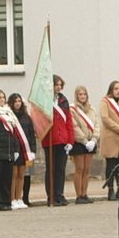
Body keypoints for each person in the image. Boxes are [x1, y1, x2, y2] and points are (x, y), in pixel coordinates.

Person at [43, 75, 75, 206]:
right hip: (49, 140)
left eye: (60, 85)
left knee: (60, 169)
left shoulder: (63, 101)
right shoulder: (45, 99)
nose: (59, 87)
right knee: (51, 169)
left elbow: (69, 121)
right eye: (57, 85)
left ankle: (59, 194)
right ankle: (50, 195)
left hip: (62, 139)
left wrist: (70, 140)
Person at [69, 85, 100, 204]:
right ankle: (78, 195)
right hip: (79, 143)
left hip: (91, 142)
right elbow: (74, 126)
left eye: (84, 94)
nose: (82, 96)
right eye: (80, 94)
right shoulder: (73, 109)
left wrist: (94, 139)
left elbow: (97, 125)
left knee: (87, 169)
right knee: (79, 169)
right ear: (77, 96)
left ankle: (85, 193)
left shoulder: (92, 109)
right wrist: (84, 141)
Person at [8, 93, 36, 208]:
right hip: (15, 150)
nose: (18, 103)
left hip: (25, 150)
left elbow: (31, 134)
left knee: (22, 174)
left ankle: (19, 198)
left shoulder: (26, 117)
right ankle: (12, 198)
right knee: (14, 175)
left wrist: (33, 150)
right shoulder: (9, 116)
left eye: (19, 101)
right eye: (15, 101)